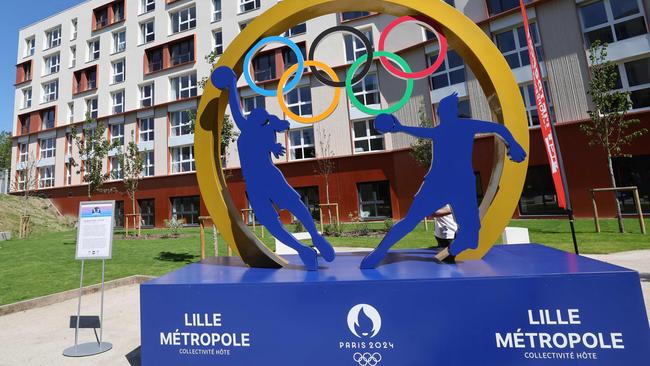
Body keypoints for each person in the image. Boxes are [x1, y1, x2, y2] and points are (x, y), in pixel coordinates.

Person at [360, 93, 527, 269]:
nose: (441, 113)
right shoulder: (445, 130)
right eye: (441, 110)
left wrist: (514, 145)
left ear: (449, 112)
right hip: (440, 183)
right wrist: (400, 128)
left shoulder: (462, 126)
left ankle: (451, 250)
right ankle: (379, 252)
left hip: (458, 185)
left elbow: (499, 128)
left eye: (443, 110)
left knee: (470, 239)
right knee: (410, 221)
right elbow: (499, 129)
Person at [211, 66, 335, 271]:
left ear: (255, 119)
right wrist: (231, 84)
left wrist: (232, 84)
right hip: (267, 179)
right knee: (291, 209)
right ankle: (313, 239)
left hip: (258, 183)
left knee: (273, 222)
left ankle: (305, 247)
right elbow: (244, 113)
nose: (249, 115)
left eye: (253, 114)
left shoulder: (249, 129)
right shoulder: (267, 131)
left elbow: (235, 107)